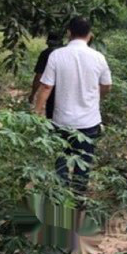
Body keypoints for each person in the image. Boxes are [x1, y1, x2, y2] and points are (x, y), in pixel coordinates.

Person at [33, 17, 112, 196]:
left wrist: (37, 112)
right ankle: (78, 201)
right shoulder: (98, 57)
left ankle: (59, 198)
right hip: (89, 122)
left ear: (68, 33)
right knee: (83, 163)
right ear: (90, 35)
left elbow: (46, 87)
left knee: (60, 160)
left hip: (62, 121)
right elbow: (107, 85)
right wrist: (95, 98)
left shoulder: (56, 55)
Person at [28, 31, 63, 119]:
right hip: (68, 91)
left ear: (47, 42)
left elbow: (39, 76)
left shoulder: (46, 53)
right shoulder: (66, 53)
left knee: (52, 118)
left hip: (53, 92)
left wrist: (33, 94)